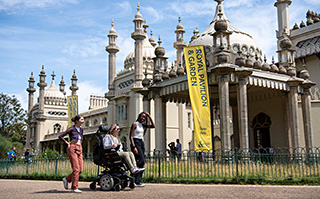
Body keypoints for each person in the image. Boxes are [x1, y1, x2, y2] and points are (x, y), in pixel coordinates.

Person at [58, 115, 84, 193]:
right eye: (81, 119)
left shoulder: (81, 129)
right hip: (72, 147)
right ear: (77, 121)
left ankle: (66, 179)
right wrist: (67, 143)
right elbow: (61, 136)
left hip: (80, 147)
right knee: (76, 169)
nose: (83, 120)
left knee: (80, 170)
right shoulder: (72, 129)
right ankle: (74, 187)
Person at [130, 111, 155, 187]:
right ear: (139, 116)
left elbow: (153, 126)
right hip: (135, 141)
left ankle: (136, 181)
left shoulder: (142, 125)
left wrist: (149, 116)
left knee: (140, 162)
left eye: (144, 117)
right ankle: (135, 180)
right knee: (141, 160)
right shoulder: (135, 124)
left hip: (141, 142)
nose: (143, 118)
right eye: (142, 116)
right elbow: (131, 136)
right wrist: (134, 147)